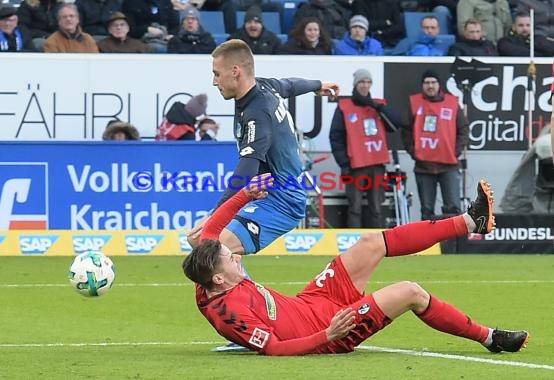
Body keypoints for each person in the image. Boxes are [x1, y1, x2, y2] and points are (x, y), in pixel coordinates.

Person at [183, 174, 529, 355]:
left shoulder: (209, 275)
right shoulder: (228, 314)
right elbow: (274, 348)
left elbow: (212, 230)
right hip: (334, 328)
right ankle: (490, 337)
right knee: (409, 291)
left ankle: (471, 221)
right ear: (218, 278)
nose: (237, 255)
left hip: (313, 301)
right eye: (231, 258)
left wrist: (245, 194)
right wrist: (328, 335)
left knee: (369, 243)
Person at [188, 39, 339, 254]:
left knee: (211, 246)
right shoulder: (262, 86)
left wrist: (216, 214)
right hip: (264, 193)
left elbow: (248, 168)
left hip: (282, 199)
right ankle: (240, 287)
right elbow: (289, 85)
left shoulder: (258, 112)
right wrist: (317, 85)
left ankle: (247, 289)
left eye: (217, 74)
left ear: (235, 72)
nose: (214, 81)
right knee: (200, 242)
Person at [329, 68, 399, 228]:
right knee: (354, 208)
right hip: (355, 166)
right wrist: (344, 164)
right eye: (362, 82)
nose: (365, 85)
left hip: (377, 164)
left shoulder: (378, 105)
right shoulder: (344, 106)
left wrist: (378, 108)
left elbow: (396, 124)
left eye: (368, 82)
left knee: (376, 207)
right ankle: (353, 245)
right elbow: (335, 137)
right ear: (355, 84)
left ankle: (376, 244)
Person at [402, 70, 468, 221]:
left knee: (453, 209)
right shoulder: (414, 103)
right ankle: (429, 244)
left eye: (433, 82)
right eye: (426, 83)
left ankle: (452, 244)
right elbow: (405, 130)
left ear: (439, 85)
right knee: (427, 210)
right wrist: (414, 151)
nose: (430, 86)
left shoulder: (452, 102)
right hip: (423, 166)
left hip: (449, 165)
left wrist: (455, 151)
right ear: (422, 85)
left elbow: (463, 129)